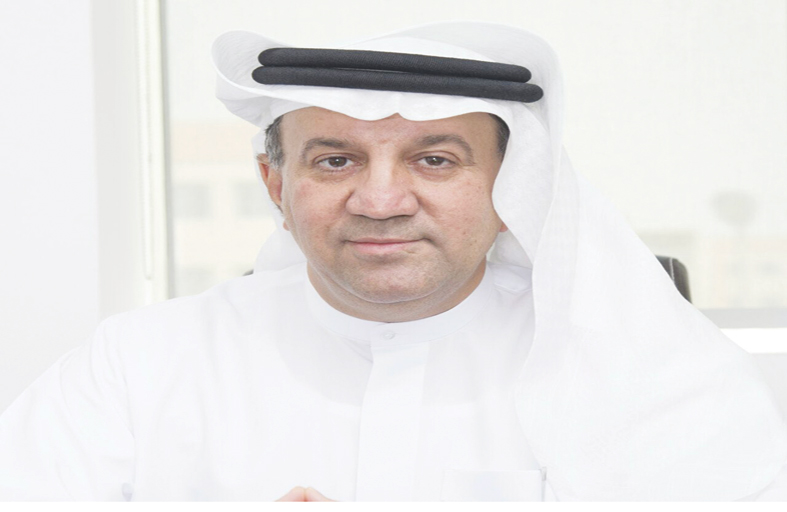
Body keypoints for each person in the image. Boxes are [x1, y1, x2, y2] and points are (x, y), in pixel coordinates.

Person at [1, 22, 786, 501]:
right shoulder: (137, 368)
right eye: (335, 161)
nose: (380, 200)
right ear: (276, 185)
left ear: (511, 186)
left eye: (435, 160)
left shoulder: (650, 376)